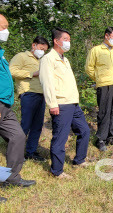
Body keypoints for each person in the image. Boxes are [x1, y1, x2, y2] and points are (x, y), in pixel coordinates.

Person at [0, 13, 35, 188]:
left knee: (17, 136)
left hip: (5, 104)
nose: (6, 31)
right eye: (3, 27)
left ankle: (12, 177)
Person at [39, 28, 91, 179]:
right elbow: (46, 83)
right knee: (60, 138)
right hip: (61, 104)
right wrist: (52, 104)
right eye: (66, 39)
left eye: (69, 40)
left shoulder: (64, 59)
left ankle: (79, 159)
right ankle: (57, 170)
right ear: (56, 41)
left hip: (73, 103)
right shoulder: (48, 59)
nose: (68, 42)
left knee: (84, 131)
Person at [9, 36, 50, 161]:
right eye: (41, 48)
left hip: (41, 95)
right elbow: (11, 71)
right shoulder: (21, 56)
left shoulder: (42, 60)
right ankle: (17, 153)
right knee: (25, 124)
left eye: (45, 50)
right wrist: (32, 74)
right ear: (34, 45)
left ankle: (30, 152)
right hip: (28, 93)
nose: (42, 52)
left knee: (37, 125)